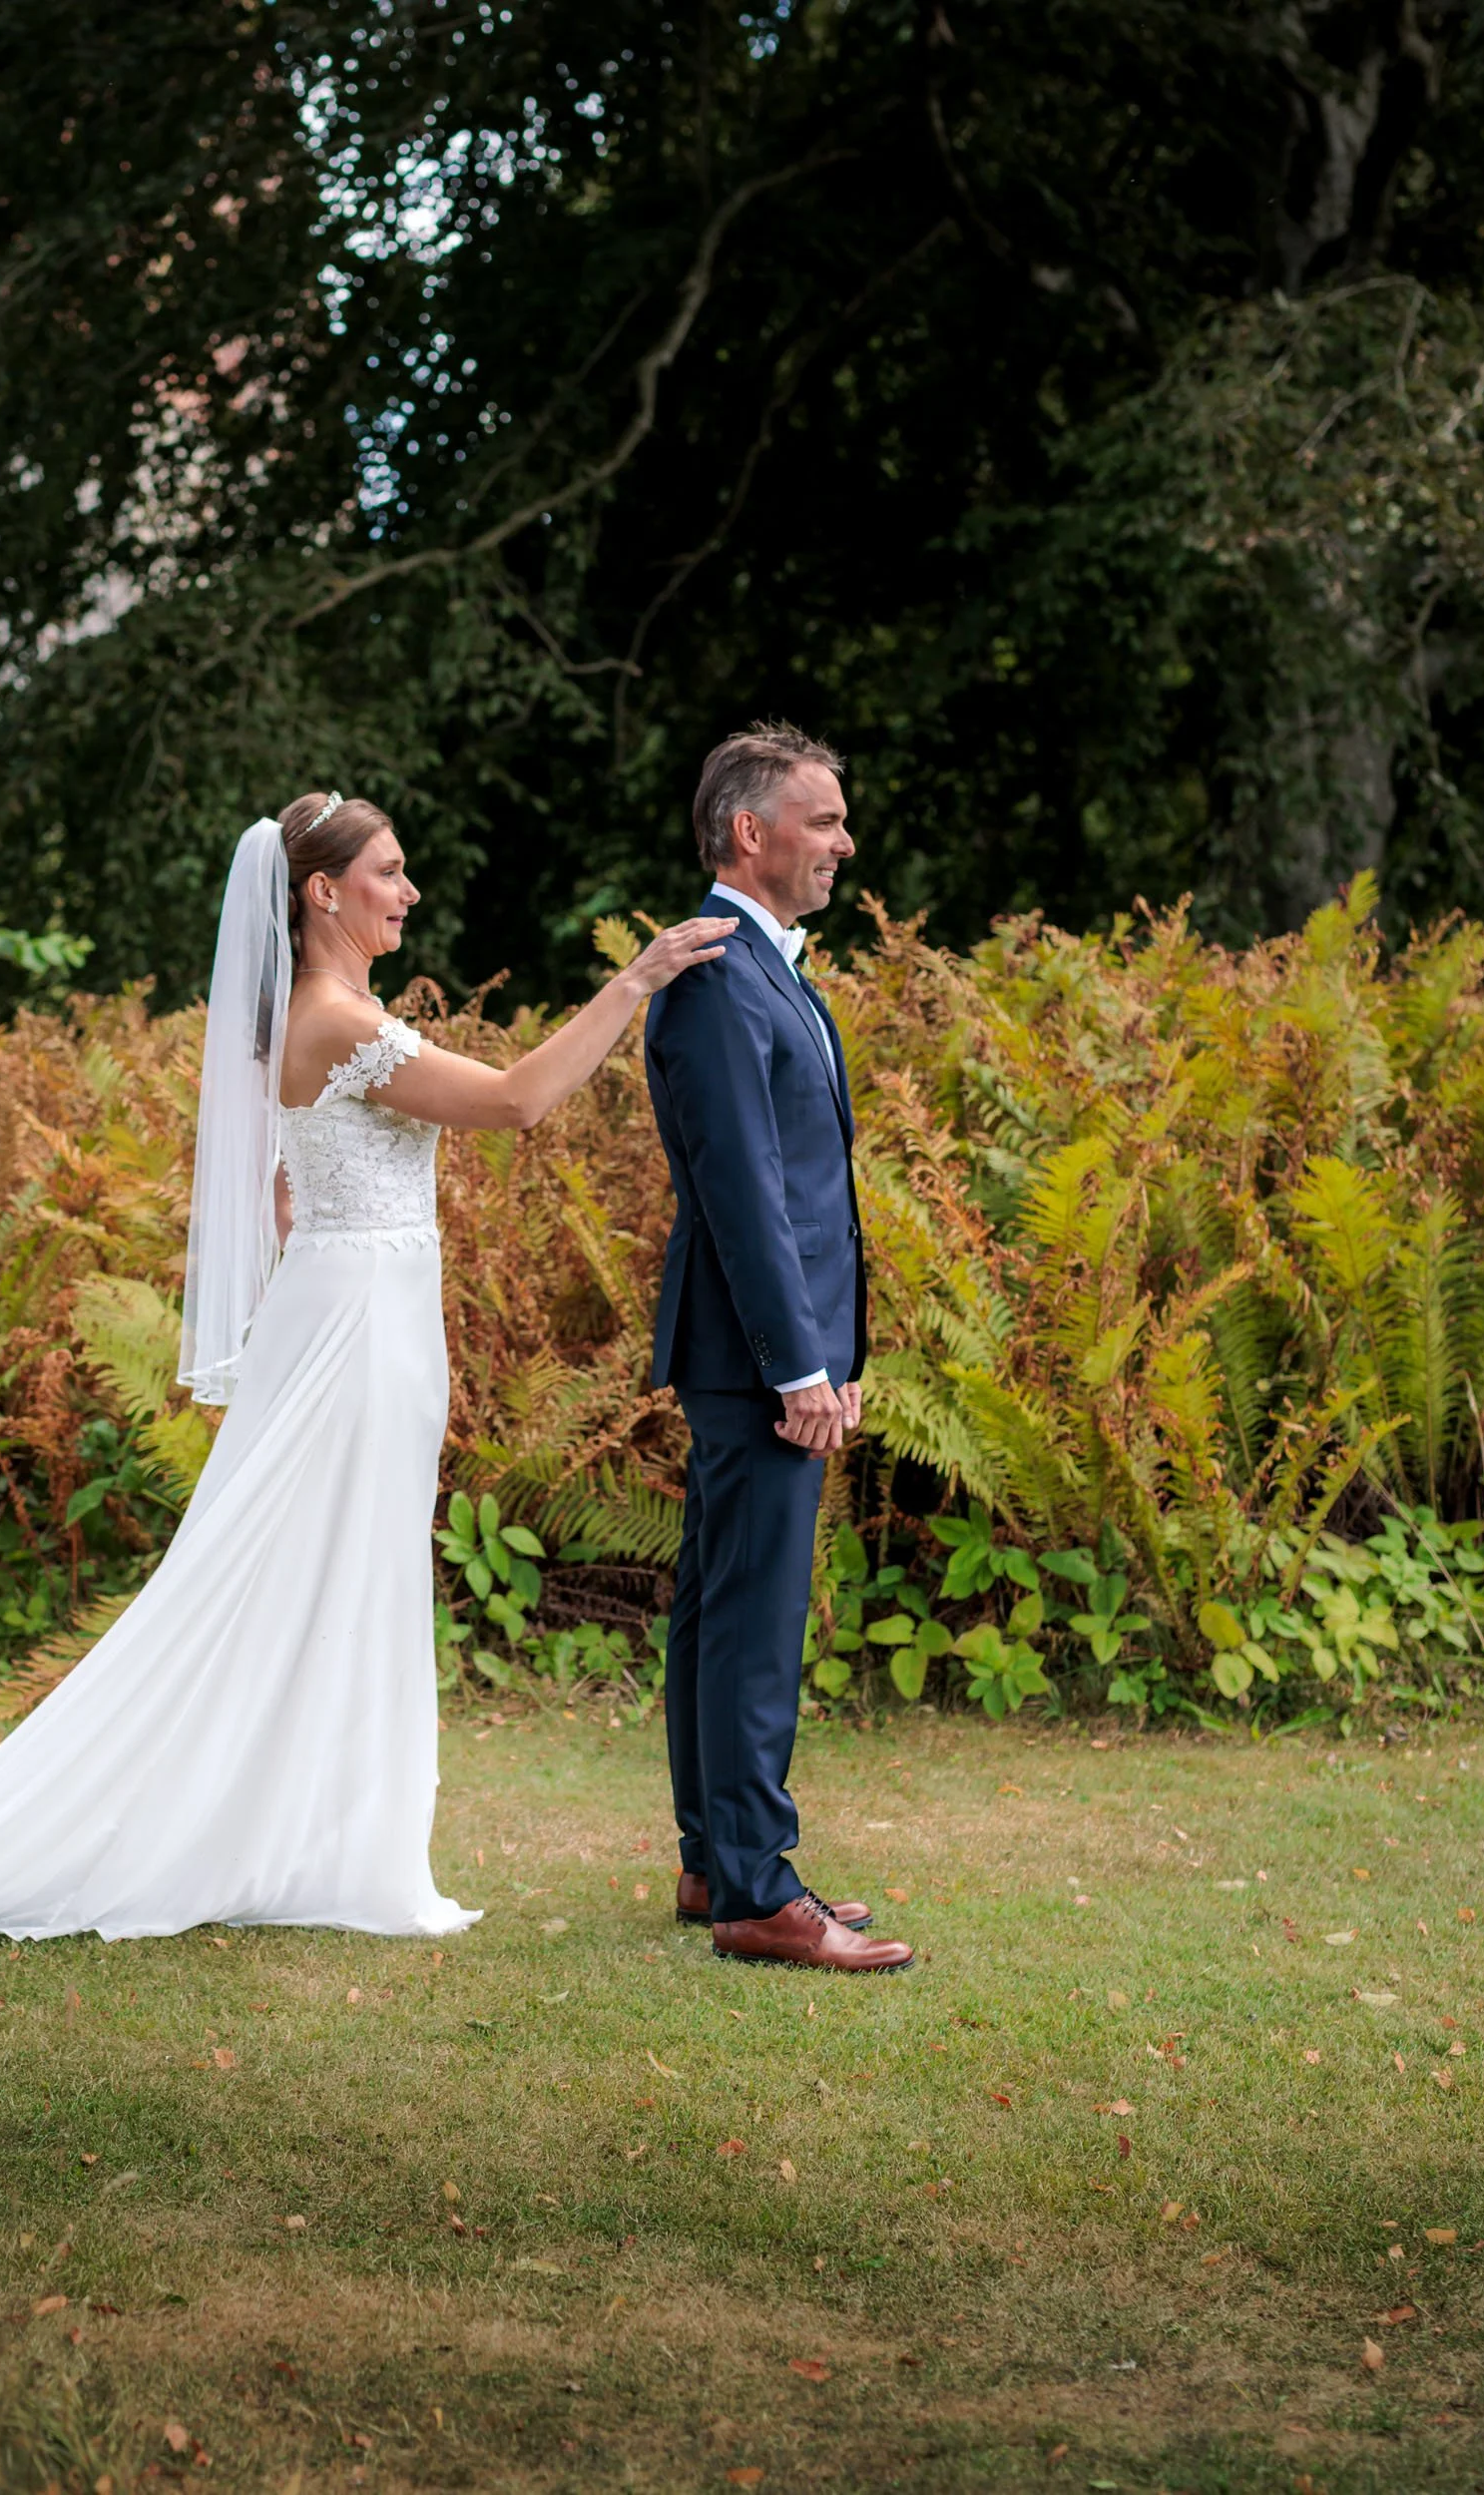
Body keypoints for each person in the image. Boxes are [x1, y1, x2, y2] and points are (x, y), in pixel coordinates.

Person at [0, 795, 725, 1951]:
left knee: (343, 1569)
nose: (407, 889)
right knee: (293, 1568)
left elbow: (280, 1184)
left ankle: (323, 1841)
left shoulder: (328, 1016)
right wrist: (634, 977)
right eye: (387, 871)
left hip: (370, 1306)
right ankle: (293, 1841)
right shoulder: (336, 1021)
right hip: (358, 1320)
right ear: (322, 891)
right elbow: (516, 1102)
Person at [645, 725, 915, 1974]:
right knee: (752, 1616)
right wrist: (796, 1366)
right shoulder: (711, 977)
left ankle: (715, 1860)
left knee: (716, 1601)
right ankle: (756, 1888)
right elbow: (744, 1190)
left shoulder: (767, 970)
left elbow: (807, 1187)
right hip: (755, 1355)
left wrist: (825, 1345)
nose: (843, 841)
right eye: (822, 819)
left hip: (765, 1346)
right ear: (749, 833)